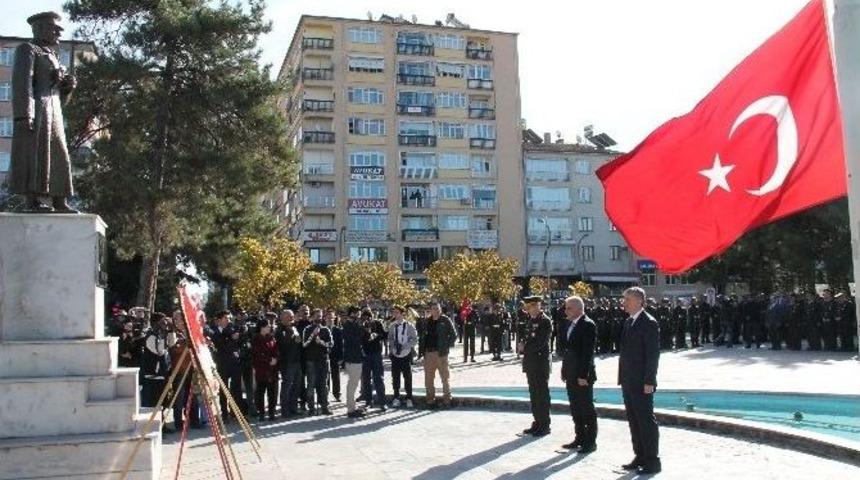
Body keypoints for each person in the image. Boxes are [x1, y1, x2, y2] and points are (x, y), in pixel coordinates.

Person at [9, 12, 77, 213]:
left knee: (59, 153)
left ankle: (59, 199)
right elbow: (22, 84)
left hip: (54, 111)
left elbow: (61, 99)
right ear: (39, 29)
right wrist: (24, 114)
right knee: (35, 154)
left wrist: (67, 87)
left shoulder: (53, 55)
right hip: (37, 109)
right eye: (54, 28)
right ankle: (32, 200)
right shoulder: (27, 49)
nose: (58, 32)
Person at [618, 287, 661, 474]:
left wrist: (649, 381)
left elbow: (652, 355)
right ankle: (640, 456)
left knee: (645, 421)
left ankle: (652, 461)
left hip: (642, 381)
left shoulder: (649, 322)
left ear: (638, 301)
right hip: (628, 380)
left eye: (627, 299)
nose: (624, 303)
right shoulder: (629, 322)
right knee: (634, 420)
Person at [560, 295, 597, 453]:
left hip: (582, 375)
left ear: (579, 309)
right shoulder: (569, 324)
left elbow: (587, 353)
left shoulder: (588, 324)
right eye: (566, 308)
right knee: (575, 407)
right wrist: (564, 370)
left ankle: (590, 442)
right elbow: (568, 351)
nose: (566, 311)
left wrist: (583, 375)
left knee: (586, 408)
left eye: (569, 308)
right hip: (571, 373)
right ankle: (579, 437)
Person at [518, 296, 552, 436]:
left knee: (541, 393)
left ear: (538, 306)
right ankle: (537, 421)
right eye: (528, 307)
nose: (529, 309)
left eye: (532, 306)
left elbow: (540, 342)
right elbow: (527, 337)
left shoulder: (545, 321)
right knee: (533, 393)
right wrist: (522, 344)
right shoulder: (530, 320)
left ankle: (545, 424)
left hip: (540, 362)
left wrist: (524, 347)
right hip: (531, 362)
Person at [419, 302, 457, 408]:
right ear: (430, 310)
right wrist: (422, 352)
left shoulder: (445, 320)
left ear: (440, 310)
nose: (435, 310)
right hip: (428, 353)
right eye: (433, 308)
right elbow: (422, 337)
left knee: (444, 378)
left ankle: (447, 400)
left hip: (441, 354)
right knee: (428, 379)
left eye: (437, 308)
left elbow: (454, 335)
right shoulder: (426, 321)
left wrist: (445, 347)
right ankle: (430, 400)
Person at [208, 310, 242, 421]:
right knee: (223, 388)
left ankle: (235, 412)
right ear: (219, 320)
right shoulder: (213, 331)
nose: (229, 320)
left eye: (230, 318)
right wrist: (230, 338)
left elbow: (237, 343)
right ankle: (224, 413)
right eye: (226, 318)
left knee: (236, 388)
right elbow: (220, 345)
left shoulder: (232, 329)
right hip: (222, 363)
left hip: (234, 362)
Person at [303, 309, 333, 415]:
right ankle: (311, 408)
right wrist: (312, 335)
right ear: (312, 317)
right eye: (316, 316)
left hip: (323, 360)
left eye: (320, 316)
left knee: (324, 385)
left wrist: (321, 342)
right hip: (311, 361)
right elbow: (304, 344)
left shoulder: (326, 330)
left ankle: (324, 407)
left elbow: (330, 344)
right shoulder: (307, 329)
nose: (319, 318)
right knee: (311, 385)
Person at [388, 305, 418, 408]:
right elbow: (390, 338)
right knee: (395, 377)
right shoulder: (392, 326)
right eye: (394, 312)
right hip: (395, 354)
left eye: (397, 312)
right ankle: (396, 397)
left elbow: (415, 339)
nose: (395, 314)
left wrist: (405, 346)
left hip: (406, 354)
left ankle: (409, 397)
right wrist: (393, 347)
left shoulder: (409, 326)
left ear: (402, 314)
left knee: (407, 376)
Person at [275, 309, 302, 418]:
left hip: (297, 361)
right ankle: (285, 410)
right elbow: (283, 344)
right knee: (287, 386)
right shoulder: (279, 330)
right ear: (283, 318)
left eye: (292, 316)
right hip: (287, 362)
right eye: (289, 316)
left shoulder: (294, 327)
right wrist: (291, 334)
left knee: (296, 385)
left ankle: (293, 408)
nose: (291, 318)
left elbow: (299, 341)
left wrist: (296, 336)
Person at [252, 315, 279, 421]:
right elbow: (257, 354)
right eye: (267, 326)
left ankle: (271, 413)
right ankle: (261, 413)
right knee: (260, 392)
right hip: (261, 369)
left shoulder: (271, 337)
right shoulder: (256, 339)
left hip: (272, 370)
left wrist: (276, 358)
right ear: (262, 327)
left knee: (272, 392)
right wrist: (269, 360)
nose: (269, 327)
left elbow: (276, 349)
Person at [360, 309, 387, 410]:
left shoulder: (377, 323)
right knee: (366, 379)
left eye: (369, 317)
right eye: (365, 317)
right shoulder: (361, 326)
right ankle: (368, 401)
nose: (367, 319)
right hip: (365, 355)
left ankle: (382, 402)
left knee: (379, 378)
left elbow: (384, 335)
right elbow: (358, 339)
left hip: (376, 354)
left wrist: (377, 335)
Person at [342, 307, 366, 417]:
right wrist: (361, 328)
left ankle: (352, 407)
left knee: (353, 384)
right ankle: (351, 410)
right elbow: (354, 340)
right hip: (352, 358)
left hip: (356, 357)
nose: (359, 317)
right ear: (353, 314)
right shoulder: (348, 326)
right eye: (358, 314)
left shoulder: (353, 325)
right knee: (352, 384)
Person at [327, 310, 343, 402]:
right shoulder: (322, 329)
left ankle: (337, 394)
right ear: (325, 318)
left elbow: (341, 345)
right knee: (325, 377)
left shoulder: (338, 330)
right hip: (325, 357)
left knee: (336, 376)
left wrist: (341, 357)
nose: (330, 319)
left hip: (335, 356)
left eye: (331, 318)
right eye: (328, 317)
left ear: (334, 318)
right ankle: (325, 394)